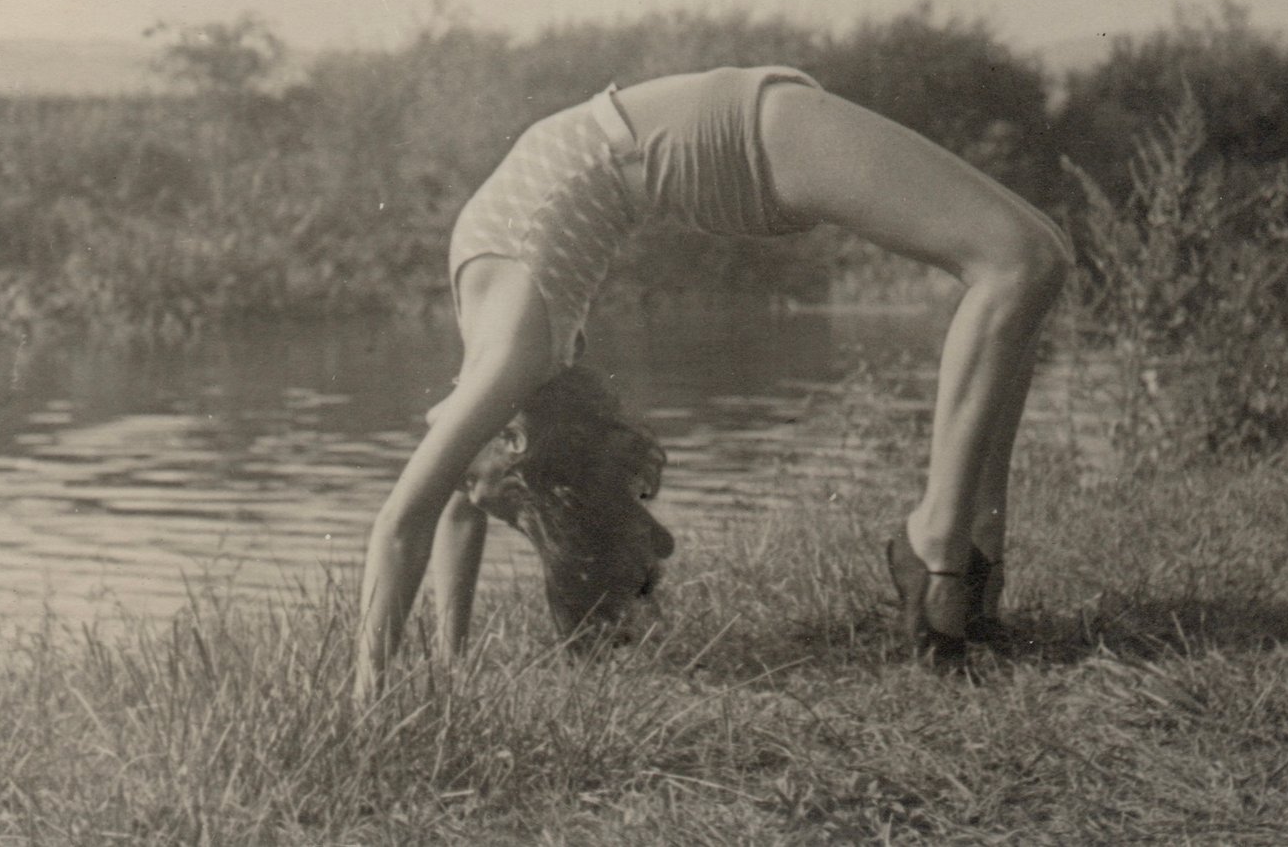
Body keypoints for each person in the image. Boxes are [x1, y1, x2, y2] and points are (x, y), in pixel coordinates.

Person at [355, 66, 1071, 696]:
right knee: (1021, 262)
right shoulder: (515, 348)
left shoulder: (505, 353)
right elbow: (431, 512)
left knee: (1037, 256)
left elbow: (436, 512)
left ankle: (969, 551)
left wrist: (409, 683)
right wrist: (407, 684)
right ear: (512, 441)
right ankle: (943, 543)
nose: (459, 466)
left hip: (734, 133)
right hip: (746, 139)